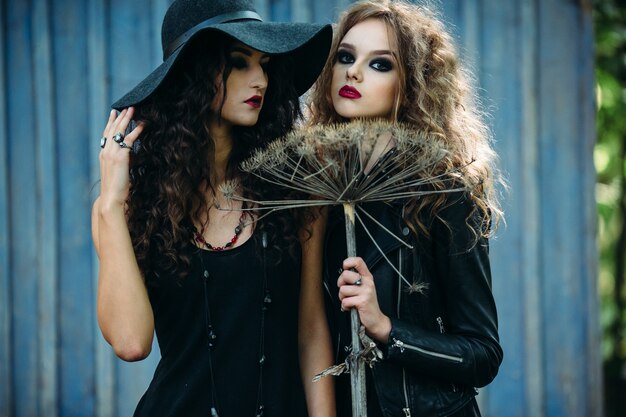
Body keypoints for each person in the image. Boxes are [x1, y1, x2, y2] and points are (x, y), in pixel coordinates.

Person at [91, 1, 335, 416]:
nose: (260, 79)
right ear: (194, 75)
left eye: (264, 63)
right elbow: (132, 343)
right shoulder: (128, 207)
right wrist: (112, 204)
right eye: (240, 63)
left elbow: (311, 332)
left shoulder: (294, 193)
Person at [307, 1, 504, 416]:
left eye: (380, 65)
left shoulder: (446, 192)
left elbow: (482, 354)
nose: (353, 72)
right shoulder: (315, 189)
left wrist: (384, 327)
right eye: (345, 57)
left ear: (411, 83)